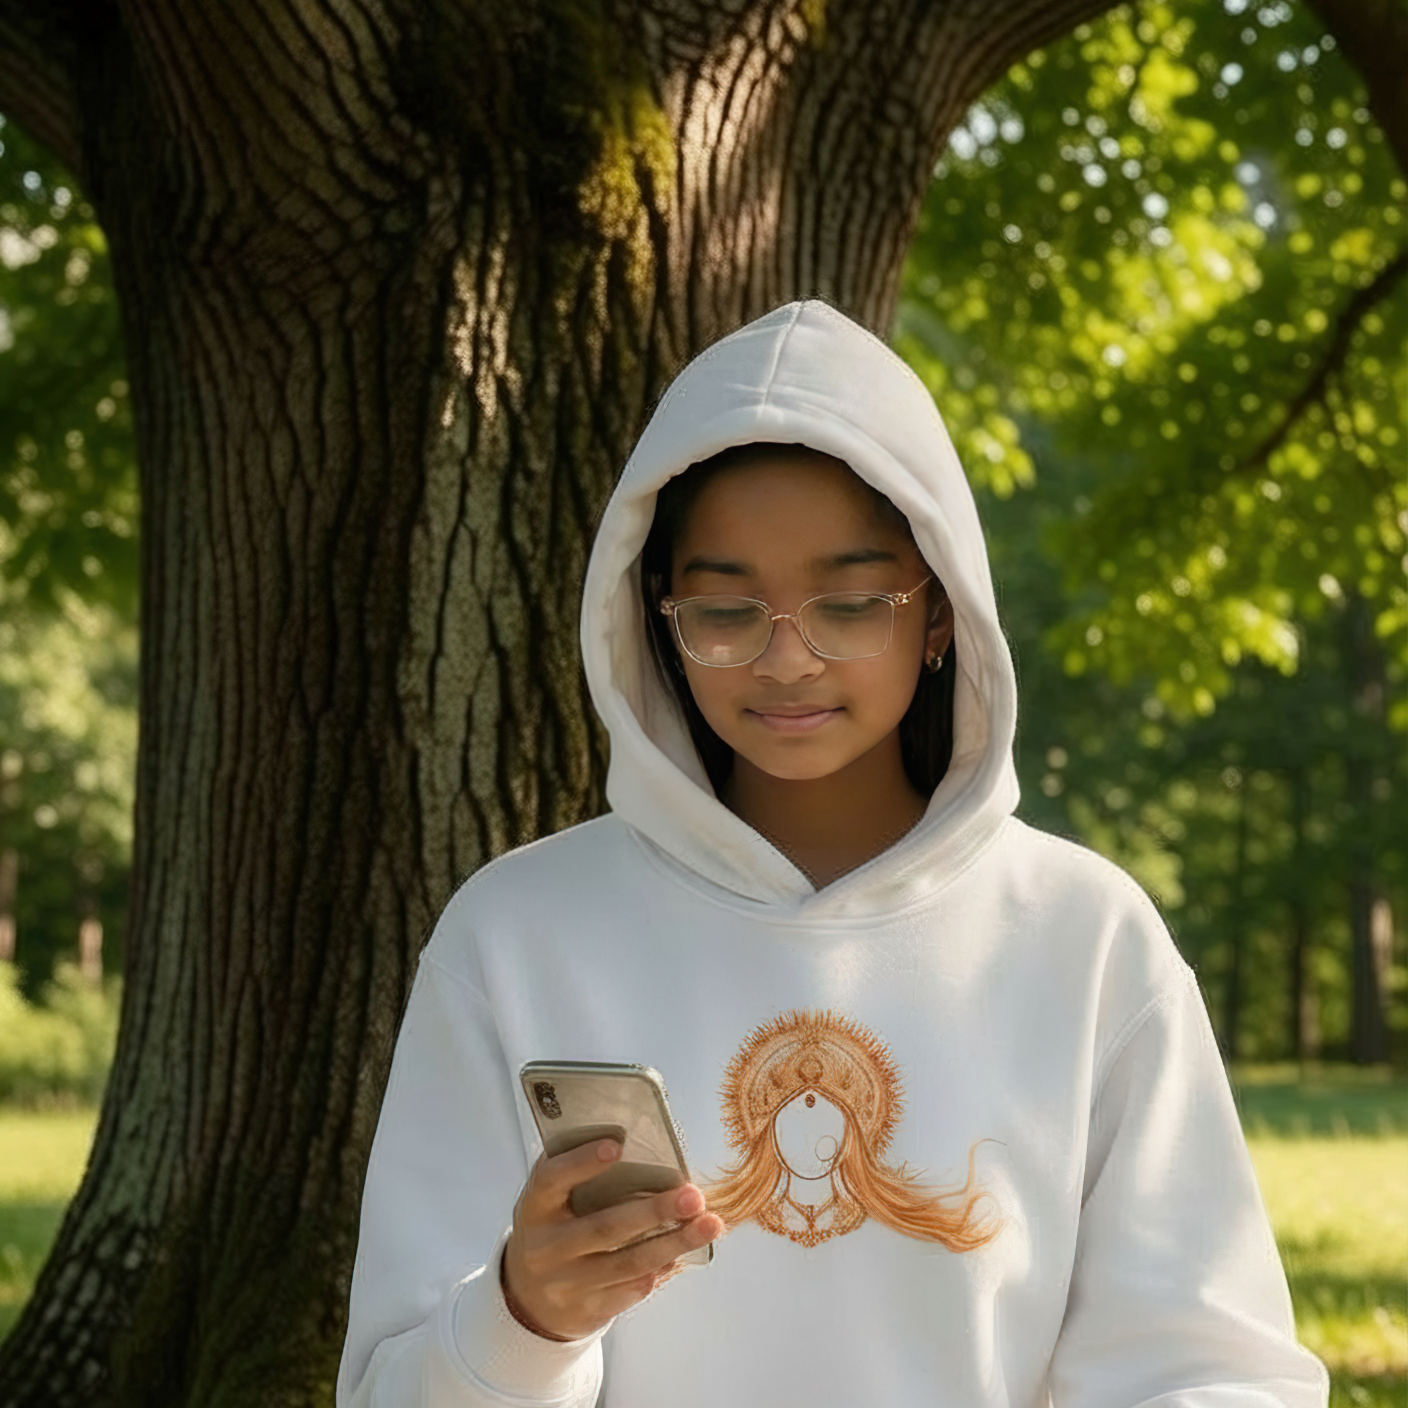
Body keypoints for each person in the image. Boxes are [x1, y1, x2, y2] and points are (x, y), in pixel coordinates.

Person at [337, 300, 1327, 1407]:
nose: (786, 658)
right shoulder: (518, 933)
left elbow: (1205, 1367)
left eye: (850, 603)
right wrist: (522, 1318)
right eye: (724, 610)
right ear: (652, 617)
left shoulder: (1080, 935)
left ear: (940, 611)